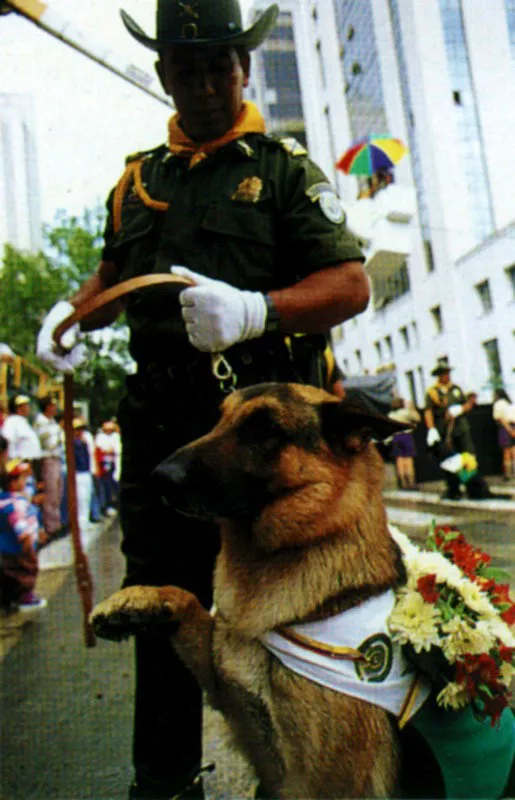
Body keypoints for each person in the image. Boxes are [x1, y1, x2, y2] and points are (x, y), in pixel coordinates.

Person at [35, 1, 369, 796]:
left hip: (260, 436)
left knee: (291, 600)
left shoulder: (284, 169)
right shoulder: (137, 180)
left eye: (221, 63)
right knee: (160, 602)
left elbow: (349, 285)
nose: (208, 82)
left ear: (243, 67)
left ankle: (298, 770)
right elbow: (115, 275)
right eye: (188, 67)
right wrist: (72, 316)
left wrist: (259, 310)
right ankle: (164, 777)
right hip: (159, 424)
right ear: (163, 75)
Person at [424, 360, 491, 500]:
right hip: (445, 431)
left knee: (468, 458)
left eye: (448, 373)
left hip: (461, 428)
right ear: (439, 376)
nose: (447, 376)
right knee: (450, 462)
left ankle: (473, 488)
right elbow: (428, 411)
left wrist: (460, 409)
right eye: (444, 374)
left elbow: (468, 405)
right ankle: (454, 489)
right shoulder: (432, 392)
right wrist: (431, 429)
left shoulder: (456, 389)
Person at [0, 459, 47, 612]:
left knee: (11, 575)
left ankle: (11, 599)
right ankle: (24, 598)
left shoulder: (7, 499)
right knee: (24, 574)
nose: (26, 482)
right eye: (23, 479)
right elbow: (18, 523)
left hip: (10, 548)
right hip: (18, 549)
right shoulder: (15, 503)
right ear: (13, 482)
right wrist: (26, 540)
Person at [33, 395, 65, 539]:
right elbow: (46, 442)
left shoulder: (52, 422)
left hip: (57, 458)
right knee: (50, 493)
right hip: (47, 459)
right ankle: (51, 527)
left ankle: (56, 523)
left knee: (58, 492)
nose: (55, 407)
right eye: (52, 405)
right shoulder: (40, 422)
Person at [388, 397, 420, 490]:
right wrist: (412, 408)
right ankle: (411, 483)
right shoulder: (405, 413)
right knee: (408, 460)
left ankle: (403, 484)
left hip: (396, 437)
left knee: (400, 461)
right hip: (406, 436)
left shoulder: (390, 415)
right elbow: (417, 418)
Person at [1, 395, 42, 467]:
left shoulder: (23, 421)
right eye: (23, 406)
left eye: (26, 405)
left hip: (30, 463)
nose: (27, 408)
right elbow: (8, 442)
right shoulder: (11, 422)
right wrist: (15, 461)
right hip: (19, 463)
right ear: (17, 408)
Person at [94, 420, 120, 515]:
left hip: (114, 463)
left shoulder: (116, 436)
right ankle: (106, 505)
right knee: (105, 486)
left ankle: (116, 504)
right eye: (107, 429)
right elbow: (100, 449)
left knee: (116, 485)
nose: (109, 431)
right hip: (104, 464)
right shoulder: (100, 437)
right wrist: (108, 451)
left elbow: (116, 449)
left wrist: (109, 450)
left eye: (111, 429)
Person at [492, 388, 515, 480]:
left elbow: (500, 419)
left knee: (507, 451)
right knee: (513, 450)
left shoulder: (498, 404)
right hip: (512, 427)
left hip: (505, 428)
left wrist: (509, 429)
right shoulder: (510, 404)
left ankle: (507, 474)